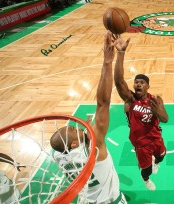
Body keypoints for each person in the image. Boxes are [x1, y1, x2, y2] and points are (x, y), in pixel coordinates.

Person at [50, 31, 126, 203]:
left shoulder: (59, 156)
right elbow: (103, 103)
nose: (76, 126)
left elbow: (68, 145)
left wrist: (84, 131)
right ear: (75, 144)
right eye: (73, 129)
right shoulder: (95, 148)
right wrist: (108, 60)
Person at [113, 35, 169, 191]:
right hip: (141, 144)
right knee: (146, 170)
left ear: (147, 87)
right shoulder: (130, 100)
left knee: (162, 156)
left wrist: (158, 110)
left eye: (142, 82)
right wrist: (120, 53)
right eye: (136, 82)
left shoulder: (156, 99)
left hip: (156, 138)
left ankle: (156, 161)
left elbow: (165, 119)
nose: (138, 84)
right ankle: (146, 180)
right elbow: (118, 82)